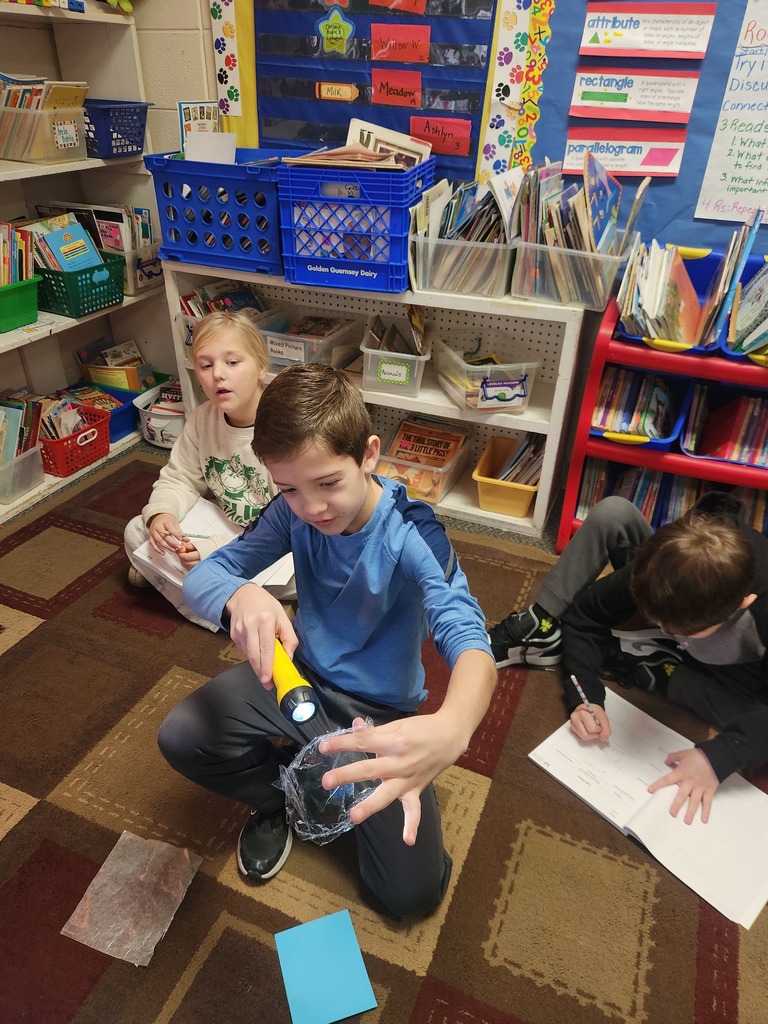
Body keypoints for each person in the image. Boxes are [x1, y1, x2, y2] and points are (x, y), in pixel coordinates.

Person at [157, 363, 496, 918]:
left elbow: (469, 638)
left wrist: (454, 726)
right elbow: (205, 576)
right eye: (289, 488)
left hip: (378, 714)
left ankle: (318, 775)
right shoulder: (291, 514)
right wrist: (240, 596)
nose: (312, 508)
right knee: (183, 735)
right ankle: (280, 800)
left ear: (368, 455)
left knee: (410, 898)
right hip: (301, 679)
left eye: (329, 483)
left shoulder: (413, 531)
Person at [490, 492, 768, 825]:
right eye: (661, 624)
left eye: (681, 633)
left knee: (748, 720)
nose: (668, 631)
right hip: (697, 607)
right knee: (614, 513)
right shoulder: (659, 565)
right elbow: (583, 620)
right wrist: (585, 695)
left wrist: (719, 756)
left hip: (748, 669)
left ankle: (663, 669)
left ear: (742, 602)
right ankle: (546, 626)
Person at [124, 310, 285, 630]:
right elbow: (180, 478)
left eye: (232, 362)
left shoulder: (282, 424)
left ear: (261, 367)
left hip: (274, 541)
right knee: (138, 531)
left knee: (314, 565)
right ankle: (248, 604)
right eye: (206, 365)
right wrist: (162, 517)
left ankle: (184, 584)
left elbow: (288, 521)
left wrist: (214, 551)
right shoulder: (201, 419)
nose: (218, 375)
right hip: (227, 527)